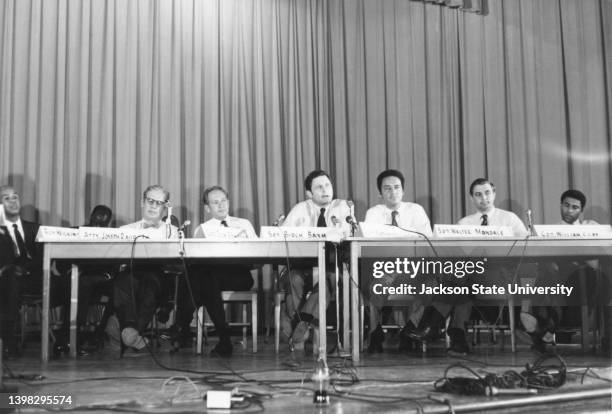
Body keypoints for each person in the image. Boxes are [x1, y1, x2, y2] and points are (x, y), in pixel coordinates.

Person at [411, 178, 528, 355]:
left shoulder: (509, 219)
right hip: (468, 277)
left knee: (459, 277)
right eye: (478, 195)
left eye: (487, 193)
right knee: (462, 280)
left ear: (494, 194)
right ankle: (457, 338)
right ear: (472, 198)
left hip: (499, 274)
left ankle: (431, 324)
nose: (484, 198)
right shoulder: (464, 223)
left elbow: (525, 247)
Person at [173, 186, 256, 357]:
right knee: (205, 277)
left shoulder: (244, 224)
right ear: (207, 208)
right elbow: (195, 261)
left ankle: (182, 325)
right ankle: (224, 339)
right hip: (212, 276)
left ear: (229, 202)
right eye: (215, 202)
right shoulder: (202, 229)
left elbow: (257, 255)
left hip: (240, 275)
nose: (221, 205)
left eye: (223, 201)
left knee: (199, 279)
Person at [363, 169, 432, 352]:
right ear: (380, 193)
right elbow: (372, 247)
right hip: (385, 268)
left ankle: (409, 329)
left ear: (403, 190)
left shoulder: (416, 210)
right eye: (387, 189)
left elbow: (427, 242)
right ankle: (375, 333)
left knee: (432, 284)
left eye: (397, 187)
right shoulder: (374, 213)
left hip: (413, 269)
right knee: (374, 285)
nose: (393, 192)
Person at [280, 170, 351, 350]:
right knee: (293, 280)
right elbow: (283, 236)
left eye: (327, 185)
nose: (325, 190)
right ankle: (302, 327)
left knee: (329, 281)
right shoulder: (299, 209)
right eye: (319, 187)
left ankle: (301, 324)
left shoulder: (342, 207)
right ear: (309, 193)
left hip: (330, 266)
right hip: (301, 266)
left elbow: (349, 232)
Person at [113, 185, 178, 351]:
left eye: (159, 203)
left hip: (161, 278)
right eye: (150, 201)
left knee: (150, 283)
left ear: (165, 208)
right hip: (131, 274)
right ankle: (132, 333)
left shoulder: (173, 232)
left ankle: (130, 333)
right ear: (143, 202)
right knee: (122, 281)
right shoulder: (124, 231)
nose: (153, 206)